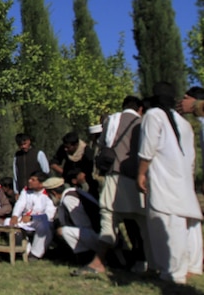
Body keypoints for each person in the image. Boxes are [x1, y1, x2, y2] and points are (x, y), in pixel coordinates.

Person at [75, 95, 150, 276]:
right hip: (138, 178)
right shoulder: (144, 122)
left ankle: (99, 261)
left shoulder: (112, 120)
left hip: (114, 176)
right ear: (140, 109)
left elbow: (102, 143)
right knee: (142, 222)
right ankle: (147, 261)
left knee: (108, 217)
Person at [138, 83, 203, 284]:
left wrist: (141, 173)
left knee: (167, 224)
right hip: (182, 179)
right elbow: (191, 158)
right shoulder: (183, 122)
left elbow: (148, 148)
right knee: (188, 224)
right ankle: (192, 265)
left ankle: (172, 272)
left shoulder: (153, 115)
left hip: (163, 178)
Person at [46, 176, 100, 263]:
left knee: (63, 231)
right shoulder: (74, 192)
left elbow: (84, 224)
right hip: (98, 233)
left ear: (53, 193)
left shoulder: (69, 199)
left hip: (97, 235)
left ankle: (85, 257)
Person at [9, 172, 56, 259]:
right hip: (25, 220)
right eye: (30, 179)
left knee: (45, 226)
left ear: (41, 183)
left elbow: (49, 214)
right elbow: (20, 203)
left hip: (39, 220)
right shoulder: (26, 190)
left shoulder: (48, 193)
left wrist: (33, 218)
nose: (29, 181)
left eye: (33, 180)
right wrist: (15, 215)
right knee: (8, 222)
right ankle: (24, 250)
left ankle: (35, 254)